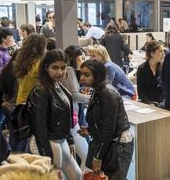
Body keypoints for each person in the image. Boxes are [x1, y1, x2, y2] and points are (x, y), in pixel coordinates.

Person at [28, 50, 82, 180]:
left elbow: (66, 118)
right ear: (46, 67)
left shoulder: (58, 85)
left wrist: (70, 139)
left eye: (63, 68)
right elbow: (39, 126)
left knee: (76, 174)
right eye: (55, 67)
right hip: (47, 141)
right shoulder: (41, 91)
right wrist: (47, 156)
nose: (60, 72)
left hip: (59, 139)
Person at [79, 60, 134, 180]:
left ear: (97, 75)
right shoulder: (97, 90)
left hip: (118, 144)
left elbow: (108, 128)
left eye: (87, 75)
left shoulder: (107, 93)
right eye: (81, 74)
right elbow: (103, 121)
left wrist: (98, 157)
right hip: (110, 142)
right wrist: (90, 129)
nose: (82, 78)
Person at [63, 45, 90, 173]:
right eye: (81, 57)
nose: (82, 60)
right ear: (75, 58)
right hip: (70, 118)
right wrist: (92, 98)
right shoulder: (69, 71)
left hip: (70, 117)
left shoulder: (69, 71)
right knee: (86, 155)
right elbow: (74, 95)